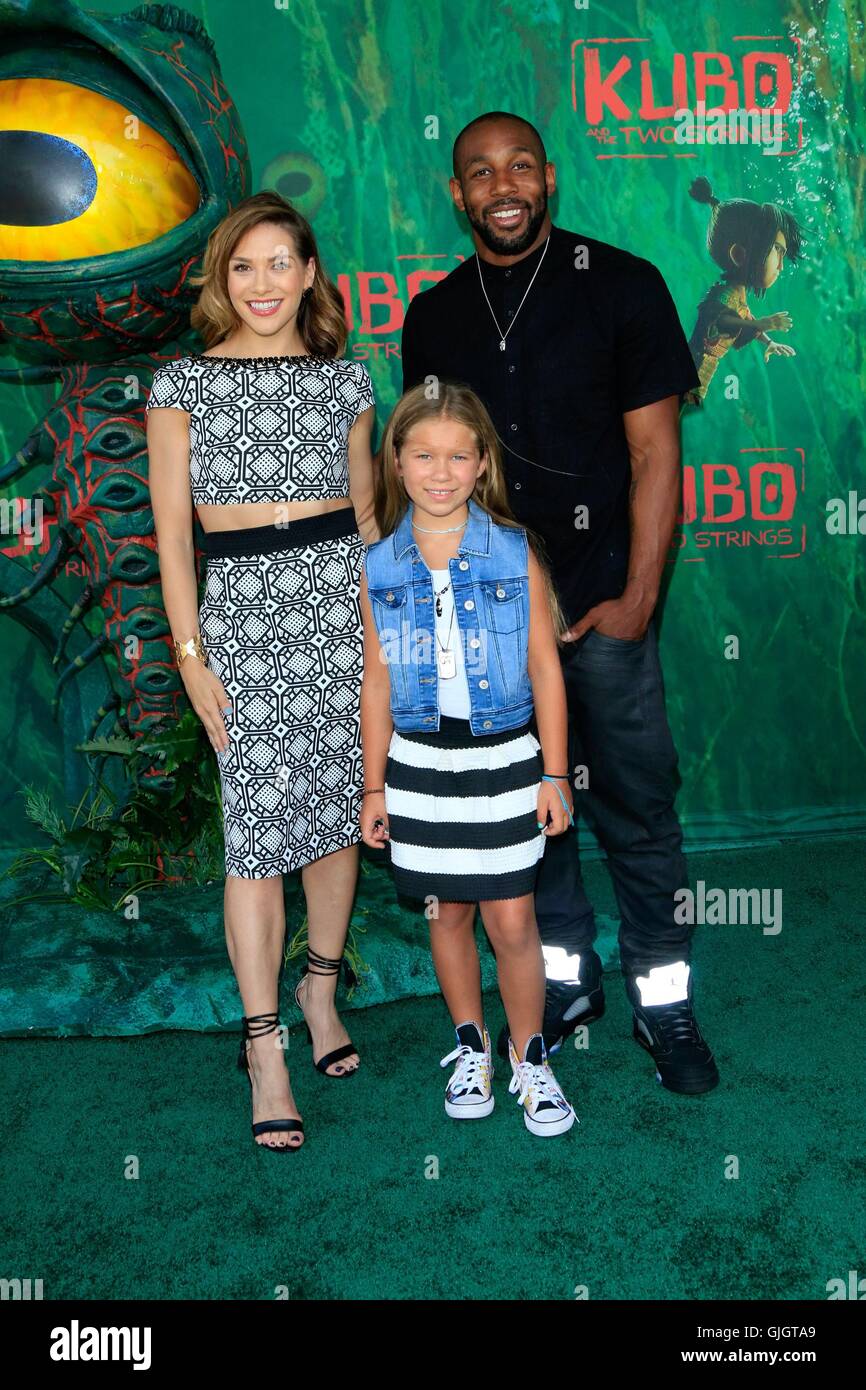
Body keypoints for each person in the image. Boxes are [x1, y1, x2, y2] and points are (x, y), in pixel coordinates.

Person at [401, 110, 719, 1094]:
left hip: (603, 606)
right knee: (520, 818)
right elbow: (429, 470)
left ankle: (661, 1001)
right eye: (480, 172)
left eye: (520, 167)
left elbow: (654, 453)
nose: (502, 185)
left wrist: (633, 599)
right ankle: (563, 983)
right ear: (457, 195)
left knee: (635, 807)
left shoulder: (621, 285)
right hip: (492, 626)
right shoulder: (435, 313)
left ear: (548, 180)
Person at [146, 192, 378, 1152]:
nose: (264, 283)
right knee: (256, 838)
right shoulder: (178, 386)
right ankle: (264, 1046)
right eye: (243, 266)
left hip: (336, 607)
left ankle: (321, 994)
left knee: (332, 822)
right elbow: (169, 541)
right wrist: (191, 657)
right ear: (220, 281)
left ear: (311, 274)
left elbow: (366, 522)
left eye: (281, 262)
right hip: (240, 619)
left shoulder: (349, 384)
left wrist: (380, 652)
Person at [359, 381, 577, 1137]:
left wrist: (554, 772)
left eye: (458, 455)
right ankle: (471, 1050)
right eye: (423, 454)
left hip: (507, 762)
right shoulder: (380, 564)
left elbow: (546, 667)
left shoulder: (513, 552)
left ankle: (532, 1060)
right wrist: (373, 787)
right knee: (447, 912)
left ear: (483, 464)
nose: (440, 471)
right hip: (420, 769)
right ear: (397, 462)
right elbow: (378, 678)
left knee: (512, 921)